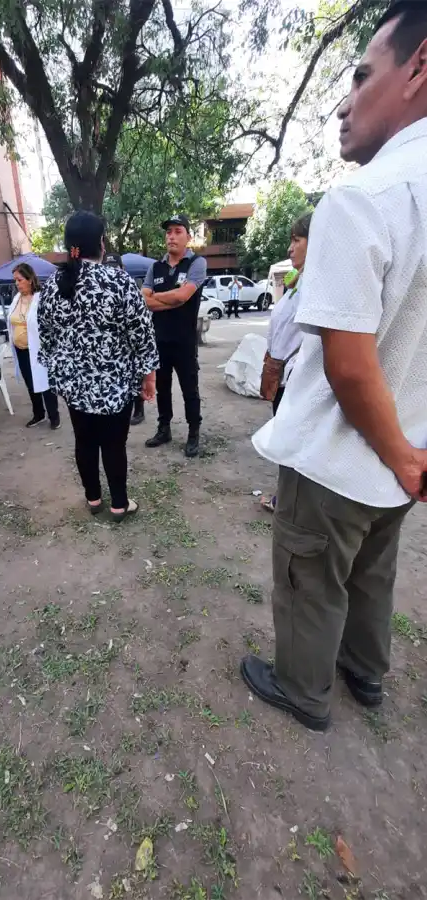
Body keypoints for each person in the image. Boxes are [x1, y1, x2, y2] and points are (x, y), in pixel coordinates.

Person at [240, 0, 427, 733]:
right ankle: (365, 673)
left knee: (310, 578)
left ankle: (303, 689)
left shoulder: (362, 198)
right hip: (405, 454)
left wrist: (401, 456)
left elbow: (348, 369)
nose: (343, 105)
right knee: (373, 573)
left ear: (418, 67)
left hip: (343, 458)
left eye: (361, 76)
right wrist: (410, 457)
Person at [38, 211, 158, 521]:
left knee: (84, 441)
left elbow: (45, 337)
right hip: (114, 383)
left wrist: (61, 369)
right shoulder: (118, 281)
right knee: (114, 444)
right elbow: (142, 334)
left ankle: (93, 499)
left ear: (70, 246)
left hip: (74, 386)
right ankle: (119, 504)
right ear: (101, 244)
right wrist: (149, 377)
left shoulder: (51, 286)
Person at [259, 212, 312, 512]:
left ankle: (290, 502)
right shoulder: (298, 282)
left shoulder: (315, 285)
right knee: (287, 440)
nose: (290, 249)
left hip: (295, 377)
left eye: (297, 240)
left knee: (293, 442)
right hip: (282, 373)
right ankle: (288, 497)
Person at [142, 214, 207, 458]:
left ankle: (193, 433)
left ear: (188, 237)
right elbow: (144, 301)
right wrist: (173, 298)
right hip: (159, 340)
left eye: (178, 231)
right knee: (162, 388)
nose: (171, 236)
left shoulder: (196, 263)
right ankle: (164, 429)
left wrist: (158, 297)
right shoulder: (155, 267)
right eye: (168, 231)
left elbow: (183, 296)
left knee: (190, 389)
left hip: (185, 341)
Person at [8, 262, 60, 429]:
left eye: (19, 280)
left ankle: (54, 416)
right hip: (21, 349)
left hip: (38, 349)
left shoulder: (41, 298)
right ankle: (38, 414)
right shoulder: (16, 298)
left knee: (44, 382)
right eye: (15, 280)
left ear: (30, 279)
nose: (17, 283)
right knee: (30, 383)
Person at [104, 252, 146, 427]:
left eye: (115, 268)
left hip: (130, 341)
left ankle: (139, 410)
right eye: (108, 268)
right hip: (110, 344)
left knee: (136, 377)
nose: (112, 271)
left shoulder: (130, 286)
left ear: (122, 268)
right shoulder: (100, 289)